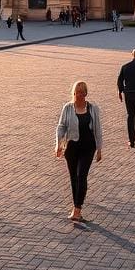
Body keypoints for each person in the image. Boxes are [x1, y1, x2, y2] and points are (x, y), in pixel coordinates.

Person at [54, 81, 103, 222]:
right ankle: (77, 207)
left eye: (81, 93)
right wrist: (58, 145)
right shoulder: (68, 108)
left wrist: (99, 149)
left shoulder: (93, 109)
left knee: (81, 176)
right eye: (76, 93)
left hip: (88, 147)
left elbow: (98, 129)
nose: (79, 95)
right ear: (73, 93)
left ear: (86, 94)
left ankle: (77, 209)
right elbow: (61, 127)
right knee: (74, 178)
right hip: (71, 148)